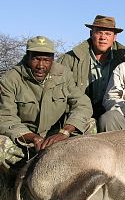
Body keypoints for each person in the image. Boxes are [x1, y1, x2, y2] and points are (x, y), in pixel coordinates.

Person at [0, 36, 93, 171]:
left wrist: (65, 132)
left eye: (46, 60)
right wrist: (32, 138)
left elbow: (82, 104)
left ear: (52, 60)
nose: (41, 66)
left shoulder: (64, 74)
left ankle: (77, 173)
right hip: (25, 141)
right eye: (36, 59)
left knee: (91, 124)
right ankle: (19, 178)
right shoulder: (10, 79)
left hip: (56, 138)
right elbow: (6, 118)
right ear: (28, 57)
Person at [58, 15, 125, 129]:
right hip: (78, 116)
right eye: (99, 32)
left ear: (115, 37)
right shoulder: (70, 59)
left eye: (108, 34)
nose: (103, 37)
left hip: (113, 117)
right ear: (91, 34)